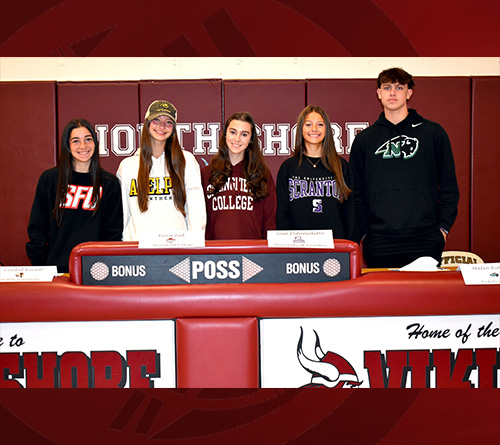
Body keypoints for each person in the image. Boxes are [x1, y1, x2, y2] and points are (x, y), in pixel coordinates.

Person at [349, 67, 460, 268]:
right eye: (387, 87)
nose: (393, 92)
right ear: (379, 93)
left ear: (409, 93)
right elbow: (356, 192)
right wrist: (365, 234)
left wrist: (442, 230)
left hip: (425, 238)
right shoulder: (364, 140)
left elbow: (449, 185)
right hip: (379, 241)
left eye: (399, 87)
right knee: (383, 300)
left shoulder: (433, 133)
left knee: (424, 299)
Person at [26, 119, 123, 273]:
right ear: (67, 146)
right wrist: (42, 266)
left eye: (88, 139)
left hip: (95, 272)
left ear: (95, 144)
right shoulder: (51, 179)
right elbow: (37, 226)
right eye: (76, 141)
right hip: (55, 271)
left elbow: (113, 233)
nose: (83, 146)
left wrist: (103, 268)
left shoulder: (109, 183)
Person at [116, 100, 206, 240]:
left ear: (174, 128)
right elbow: (123, 213)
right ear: (147, 123)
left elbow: (196, 211)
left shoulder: (186, 161)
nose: (162, 126)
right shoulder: (128, 166)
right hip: (138, 250)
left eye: (168, 122)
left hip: (177, 248)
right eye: (156, 120)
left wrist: (195, 244)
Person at [276, 105, 357, 241]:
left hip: (335, 246)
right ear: (301, 128)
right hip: (298, 247)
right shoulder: (288, 167)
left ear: (327, 130)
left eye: (320, 124)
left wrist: (349, 246)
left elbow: (350, 213)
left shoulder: (341, 166)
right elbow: (282, 214)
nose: (314, 129)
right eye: (308, 124)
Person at [201, 112, 276, 239]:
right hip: (216, 253)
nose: (237, 139)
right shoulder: (207, 174)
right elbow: (200, 219)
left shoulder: (261, 174)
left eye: (244, 134)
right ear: (225, 135)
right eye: (233, 132)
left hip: (253, 252)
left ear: (251, 139)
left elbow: (270, 219)